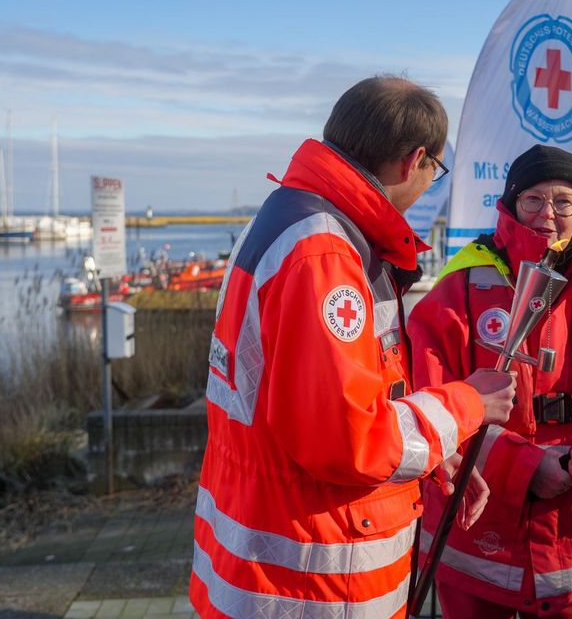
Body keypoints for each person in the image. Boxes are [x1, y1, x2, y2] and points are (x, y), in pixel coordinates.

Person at [189, 76, 517, 618]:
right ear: (413, 162)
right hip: (312, 581)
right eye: (436, 170)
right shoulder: (326, 254)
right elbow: (349, 437)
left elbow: (342, 392)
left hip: (267, 556)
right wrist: (468, 404)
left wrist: (439, 449)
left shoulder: (291, 217)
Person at [407, 145, 572, 618]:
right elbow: (424, 406)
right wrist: (527, 469)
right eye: (533, 199)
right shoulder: (458, 293)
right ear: (510, 204)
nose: (548, 214)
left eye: (564, 201)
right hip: (477, 554)